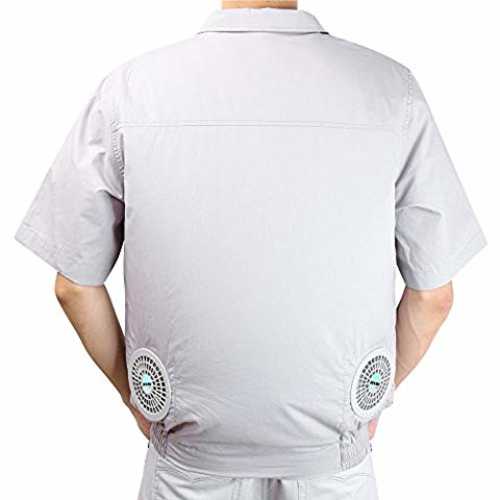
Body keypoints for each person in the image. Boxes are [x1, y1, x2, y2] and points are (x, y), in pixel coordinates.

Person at [15, 1, 486, 499]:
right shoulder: (392, 91)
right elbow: (433, 296)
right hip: (331, 467)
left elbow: (74, 286)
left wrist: (139, 398)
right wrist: (368, 402)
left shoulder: (129, 92)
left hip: (188, 467)